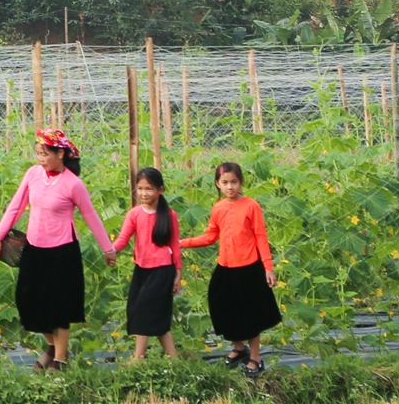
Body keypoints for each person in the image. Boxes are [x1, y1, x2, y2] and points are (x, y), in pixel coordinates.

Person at [0, 128, 116, 371]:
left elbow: (91, 216)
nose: (41, 159)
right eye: (38, 154)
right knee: (28, 302)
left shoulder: (73, 184)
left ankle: (60, 362)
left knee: (58, 309)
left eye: (45, 154)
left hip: (62, 252)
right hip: (35, 249)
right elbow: (15, 207)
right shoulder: (33, 175)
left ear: (61, 154)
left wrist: (108, 249)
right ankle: (53, 347)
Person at [180, 161, 281, 377]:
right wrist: (181, 242)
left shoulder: (251, 206)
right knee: (220, 306)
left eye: (234, 182)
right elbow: (210, 236)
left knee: (250, 314)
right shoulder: (218, 207)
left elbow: (261, 238)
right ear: (217, 184)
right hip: (225, 267)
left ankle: (256, 358)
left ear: (241, 182)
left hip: (249, 268)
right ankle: (239, 347)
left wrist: (268, 268)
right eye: (225, 182)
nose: (230, 187)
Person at [112, 167, 182, 360]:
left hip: (162, 271)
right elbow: (123, 238)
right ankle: (174, 358)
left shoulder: (169, 215)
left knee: (142, 310)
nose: (143, 193)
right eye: (140, 188)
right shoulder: (135, 214)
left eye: (149, 189)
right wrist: (111, 251)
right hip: (142, 270)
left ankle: (138, 358)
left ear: (160, 190)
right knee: (152, 315)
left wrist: (178, 273)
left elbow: (174, 245)